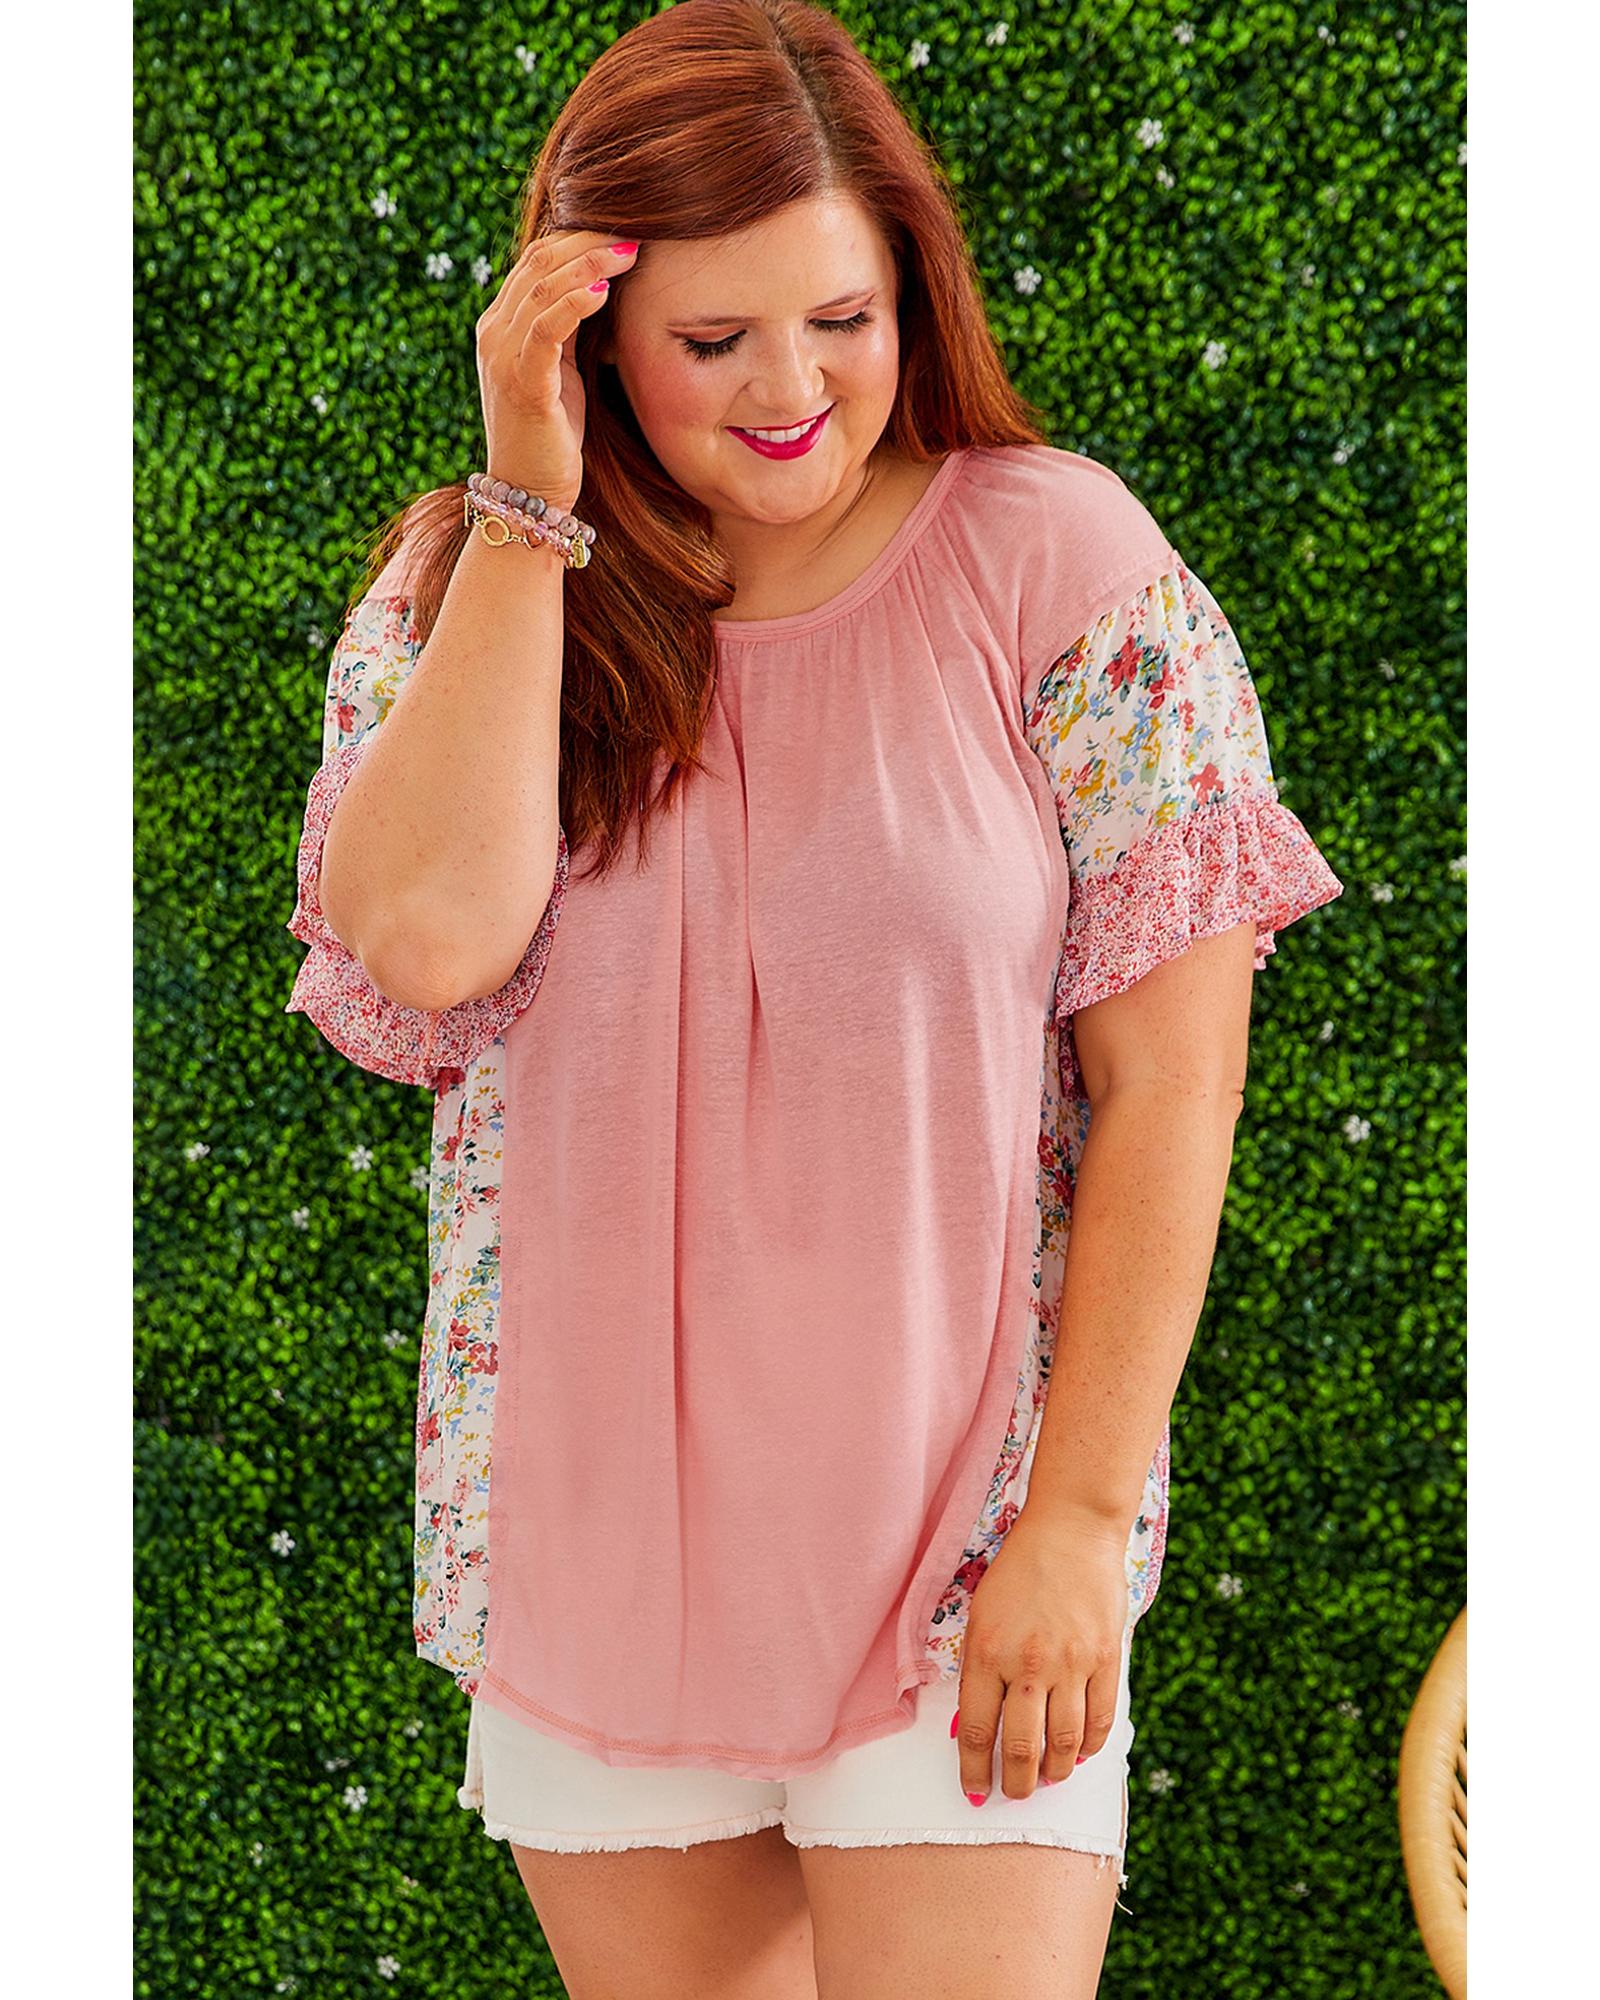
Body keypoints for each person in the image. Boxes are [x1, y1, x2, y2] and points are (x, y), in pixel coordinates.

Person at [282, 3, 1345, 1993]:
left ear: (908, 292)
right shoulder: (470, 589)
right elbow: (421, 943)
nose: (790, 391)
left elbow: (1173, 1087)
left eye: (841, 319)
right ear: (590, 331)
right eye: (713, 340)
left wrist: (1077, 1519)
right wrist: (528, 502)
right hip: (594, 1555)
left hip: (968, 1553)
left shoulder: (1058, 563)